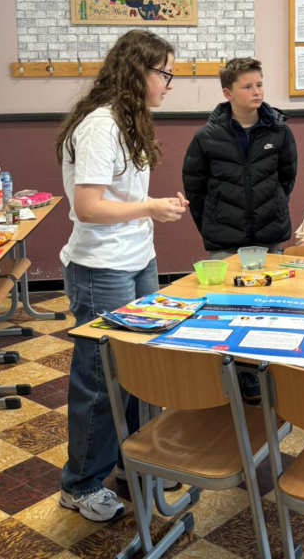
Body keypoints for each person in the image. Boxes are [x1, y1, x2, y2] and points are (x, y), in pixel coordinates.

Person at [56, 30, 188, 521]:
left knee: (139, 369)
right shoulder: (100, 126)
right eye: (165, 73)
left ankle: (136, 462)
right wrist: (150, 207)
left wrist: (152, 206)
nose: (169, 83)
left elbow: (119, 197)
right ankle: (81, 484)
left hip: (136, 260)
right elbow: (88, 207)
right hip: (101, 267)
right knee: (101, 378)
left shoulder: (129, 120)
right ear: (139, 72)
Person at [182, 57, 297, 258]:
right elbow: (195, 189)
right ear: (228, 93)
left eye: (259, 85)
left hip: (268, 234)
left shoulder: (279, 131)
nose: (256, 92)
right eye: (247, 87)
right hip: (224, 239)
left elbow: (287, 178)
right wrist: (212, 222)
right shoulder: (206, 136)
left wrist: (273, 207)